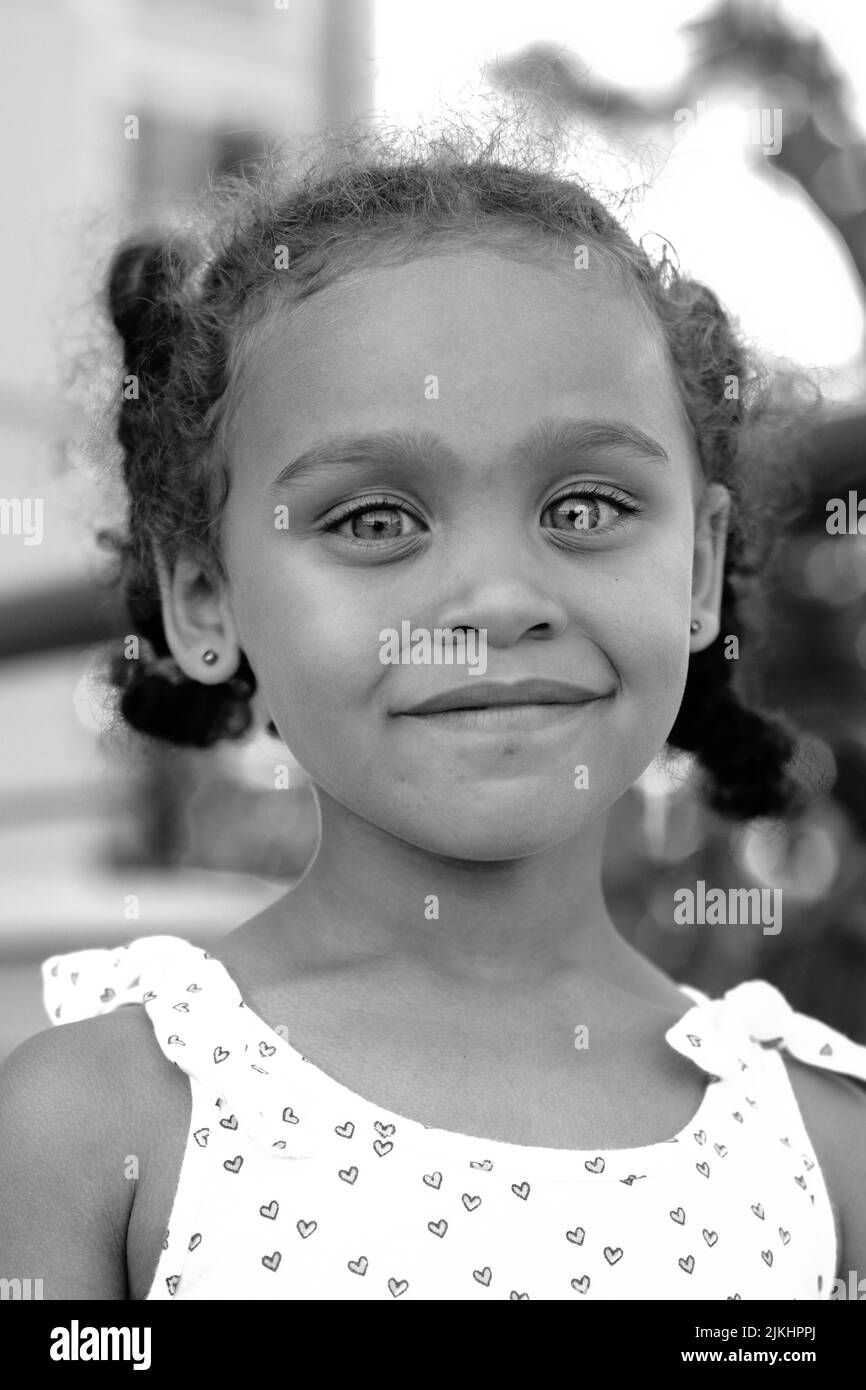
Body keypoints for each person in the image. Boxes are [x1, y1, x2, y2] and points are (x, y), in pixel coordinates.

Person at [2, 118, 864, 1301]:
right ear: (203, 594)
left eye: (585, 504)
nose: (498, 599)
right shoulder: (96, 1122)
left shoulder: (824, 1149)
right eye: (371, 520)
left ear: (700, 568)